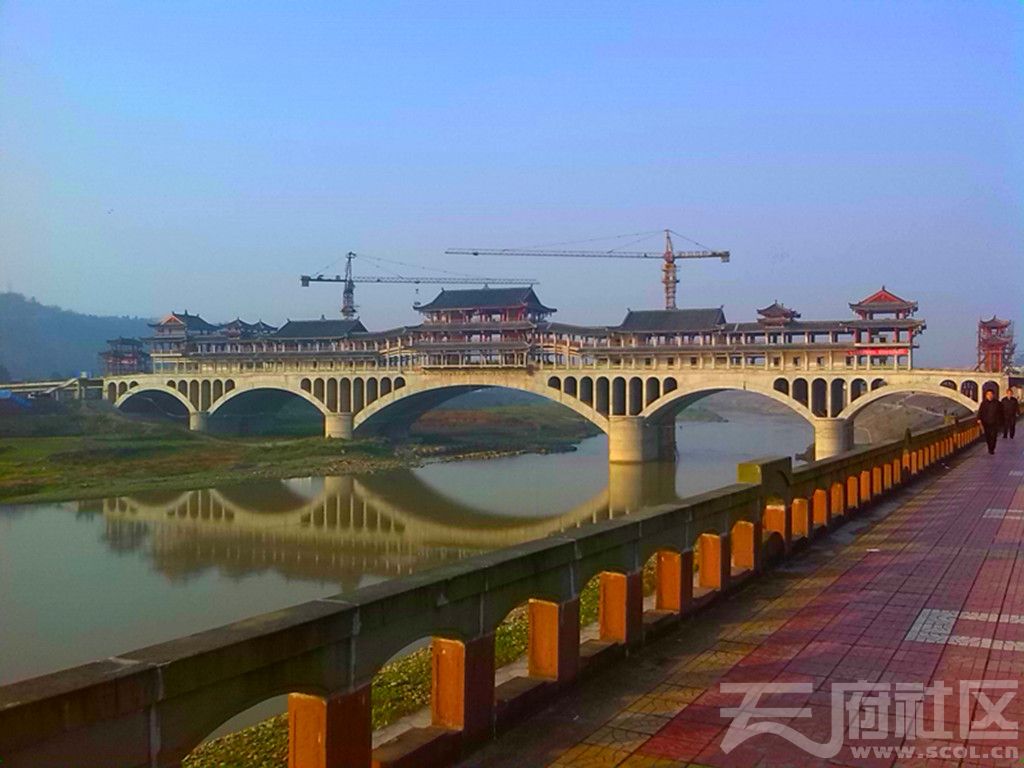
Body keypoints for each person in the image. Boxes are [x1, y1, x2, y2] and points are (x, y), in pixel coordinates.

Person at [978, 389, 1003, 454]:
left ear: (993, 395)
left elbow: (1001, 412)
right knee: (988, 436)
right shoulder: (983, 403)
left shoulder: (997, 403)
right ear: (986, 395)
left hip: (995, 422)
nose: (989, 395)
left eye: (991, 394)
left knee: (994, 436)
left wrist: (1001, 422)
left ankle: (992, 448)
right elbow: (980, 412)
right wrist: (979, 419)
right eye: (988, 394)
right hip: (986, 423)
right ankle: (989, 447)